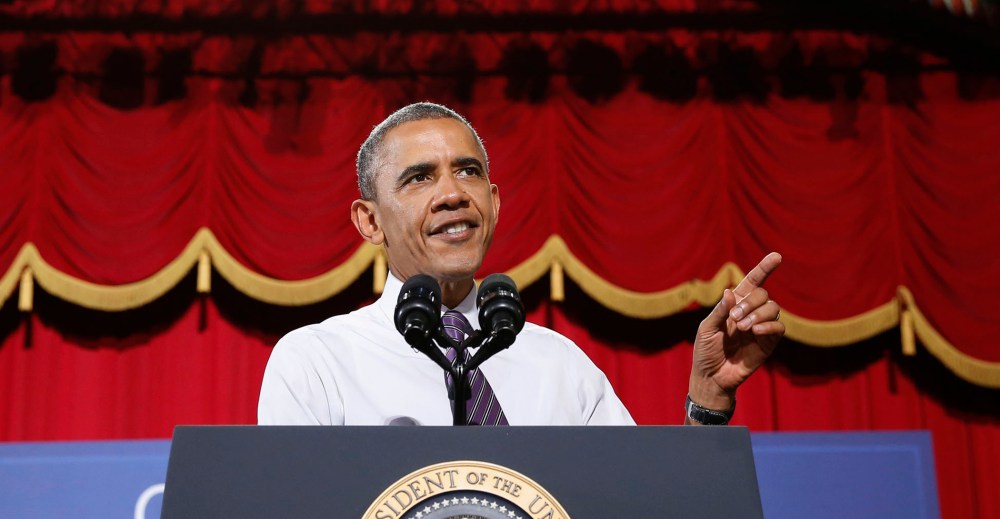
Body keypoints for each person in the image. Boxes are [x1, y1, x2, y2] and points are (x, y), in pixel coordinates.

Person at [257, 102, 784, 426]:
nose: (452, 195)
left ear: (495, 202)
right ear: (369, 222)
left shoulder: (560, 365)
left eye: (467, 172)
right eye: (419, 178)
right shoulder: (317, 363)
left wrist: (707, 399)